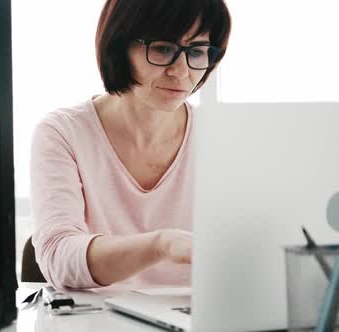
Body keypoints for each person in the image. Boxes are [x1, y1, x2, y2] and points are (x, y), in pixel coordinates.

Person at [30, 0, 232, 289]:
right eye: (163, 48)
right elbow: (57, 257)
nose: (180, 71)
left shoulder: (221, 135)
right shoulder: (63, 132)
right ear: (120, 47)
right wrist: (160, 245)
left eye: (197, 52)